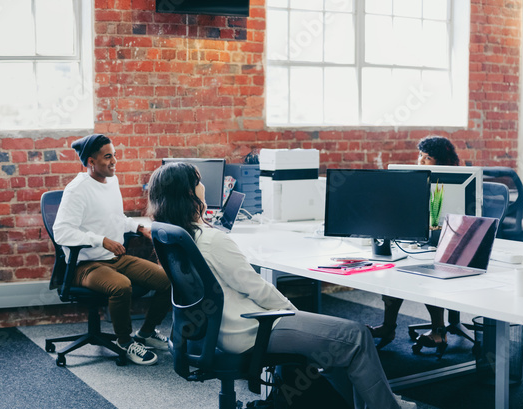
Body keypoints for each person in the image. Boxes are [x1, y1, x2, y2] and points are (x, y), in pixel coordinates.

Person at [147, 162, 416, 409]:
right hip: (252, 328)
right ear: (189, 193)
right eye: (198, 181)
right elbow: (257, 288)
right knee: (357, 335)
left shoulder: (176, 235)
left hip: (217, 332)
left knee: (335, 345)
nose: (203, 186)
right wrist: (294, 314)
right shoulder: (213, 241)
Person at [52, 134, 172, 365]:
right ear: (90, 162)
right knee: (121, 286)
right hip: (85, 265)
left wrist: (138, 226)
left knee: (168, 279)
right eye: (107, 157)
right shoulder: (77, 189)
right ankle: (125, 342)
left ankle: (145, 333)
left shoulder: (112, 181)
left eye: (114, 155)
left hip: (115, 259)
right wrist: (101, 240)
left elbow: (116, 218)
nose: (114, 161)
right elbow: (62, 233)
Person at [369, 135, 461, 353]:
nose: (420, 161)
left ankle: (439, 331)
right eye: (420, 155)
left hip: (449, 241)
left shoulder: (452, 182)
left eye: (427, 158)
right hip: (418, 239)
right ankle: (388, 327)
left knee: (430, 277)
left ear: (441, 163)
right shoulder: (415, 180)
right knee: (395, 272)